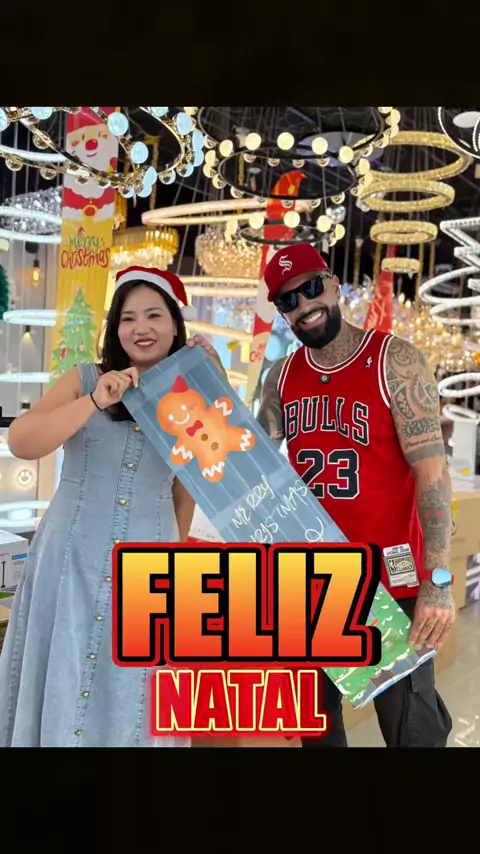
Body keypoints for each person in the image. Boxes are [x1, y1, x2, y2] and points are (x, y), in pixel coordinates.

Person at [0, 266, 224, 748]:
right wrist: (95, 401)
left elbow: (194, 487)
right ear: (115, 327)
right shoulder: (85, 379)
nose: (141, 328)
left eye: (154, 315)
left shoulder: (190, 397)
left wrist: (218, 387)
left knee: (131, 691)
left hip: (148, 568)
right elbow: (21, 441)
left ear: (175, 324)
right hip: (69, 560)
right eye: (128, 318)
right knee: (64, 668)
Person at [257, 242, 455, 748]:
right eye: (288, 300)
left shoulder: (395, 361)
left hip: (391, 579)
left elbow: (433, 475)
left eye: (310, 288)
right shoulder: (280, 377)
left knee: (413, 732)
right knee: (317, 732)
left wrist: (438, 581)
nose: (304, 305)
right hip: (313, 582)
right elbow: (251, 466)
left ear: (332, 284)